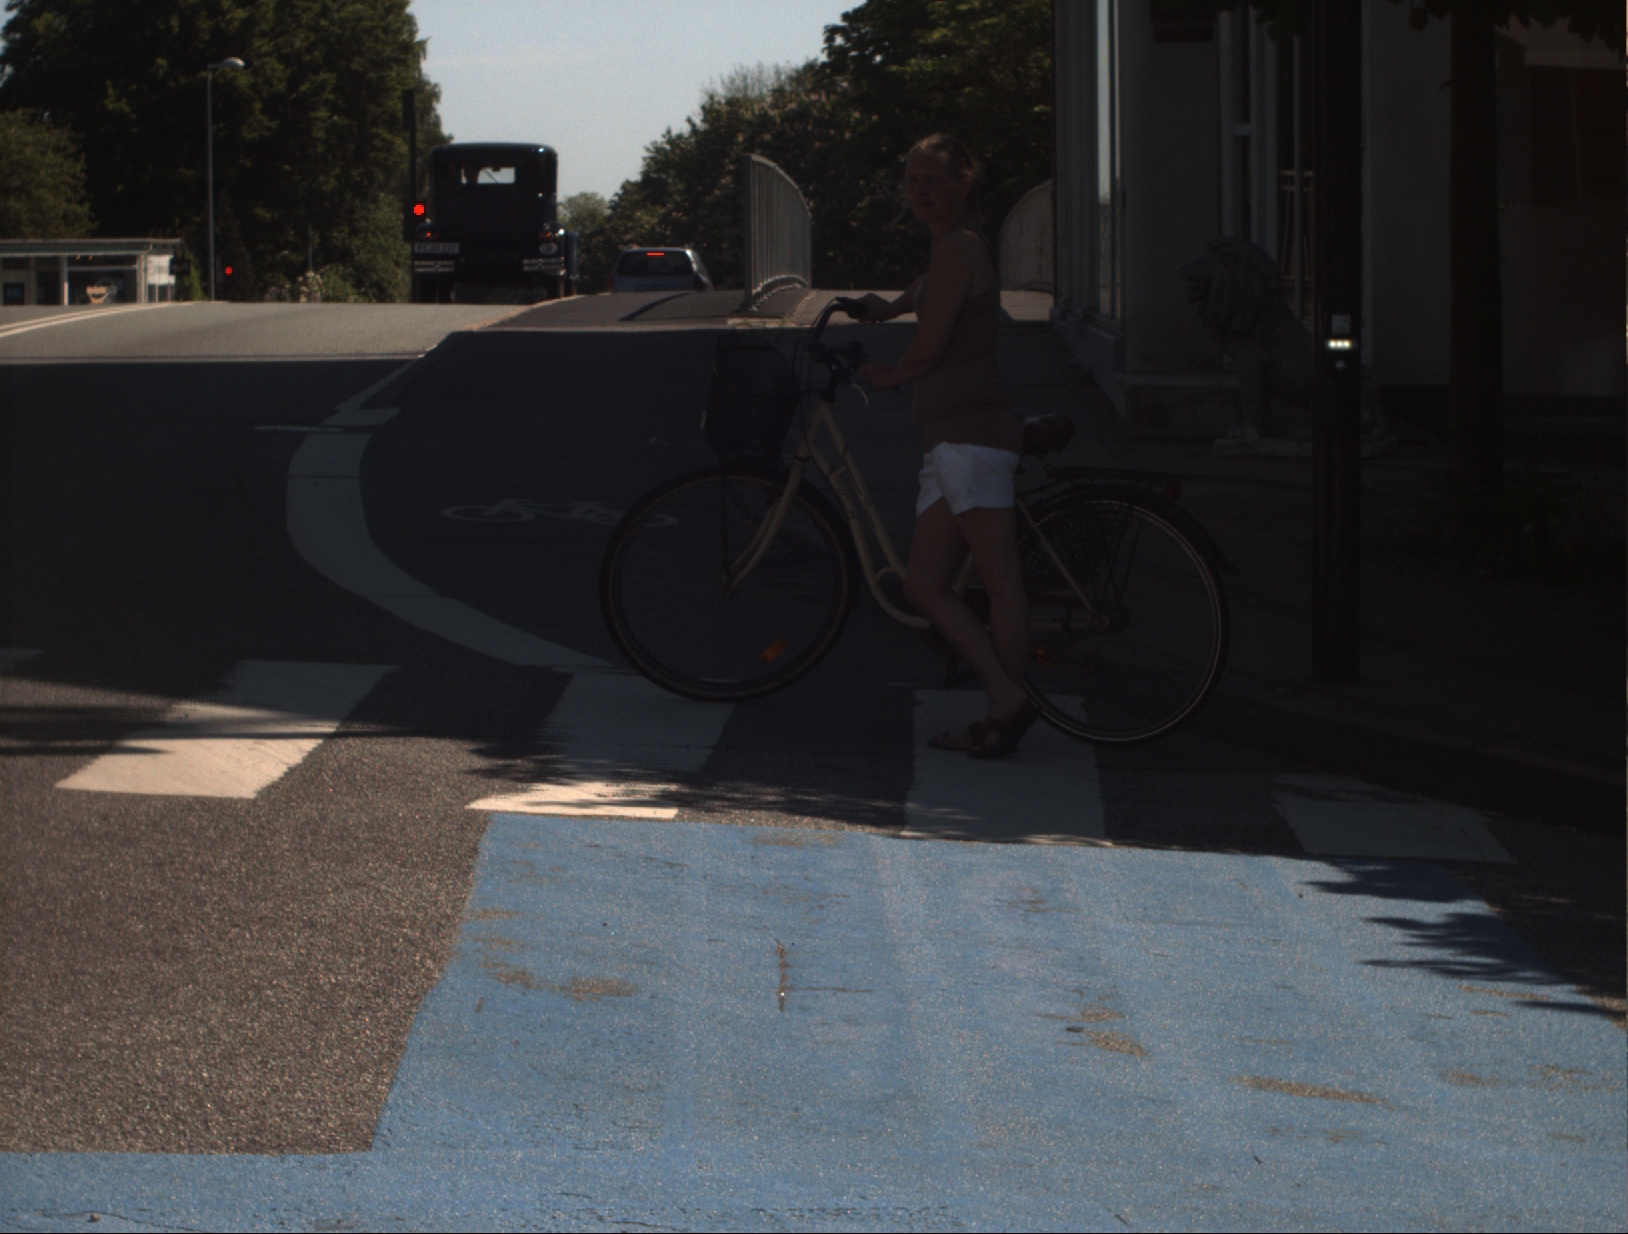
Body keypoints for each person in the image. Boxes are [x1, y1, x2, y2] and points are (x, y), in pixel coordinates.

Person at [854, 135, 1039, 759]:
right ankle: (1005, 699)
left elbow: (931, 343)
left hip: (971, 434)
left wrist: (889, 375)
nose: (920, 191)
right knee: (924, 586)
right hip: (948, 440)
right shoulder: (946, 249)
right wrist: (884, 310)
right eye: (912, 180)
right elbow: (924, 291)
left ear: (965, 182)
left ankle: (1005, 709)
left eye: (933, 179)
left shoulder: (960, 246)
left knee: (999, 576)